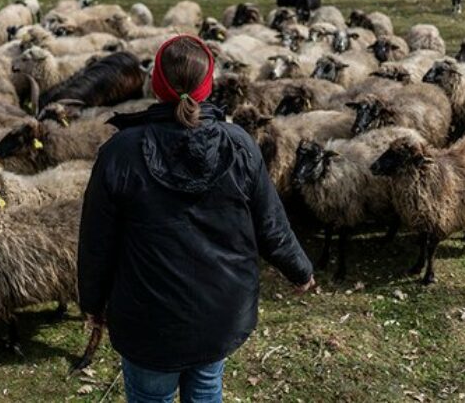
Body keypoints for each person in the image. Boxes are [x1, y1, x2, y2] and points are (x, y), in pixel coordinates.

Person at [77, 34, 314, 403]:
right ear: (207, 86)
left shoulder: (120, 153)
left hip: (148, 318)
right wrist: (299, 270)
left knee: (150, 396)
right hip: (220, 310)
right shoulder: (239, 144)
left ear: (156, 83)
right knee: (205, 390)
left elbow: (97, 241)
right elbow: (271, 222)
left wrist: (92, 303)